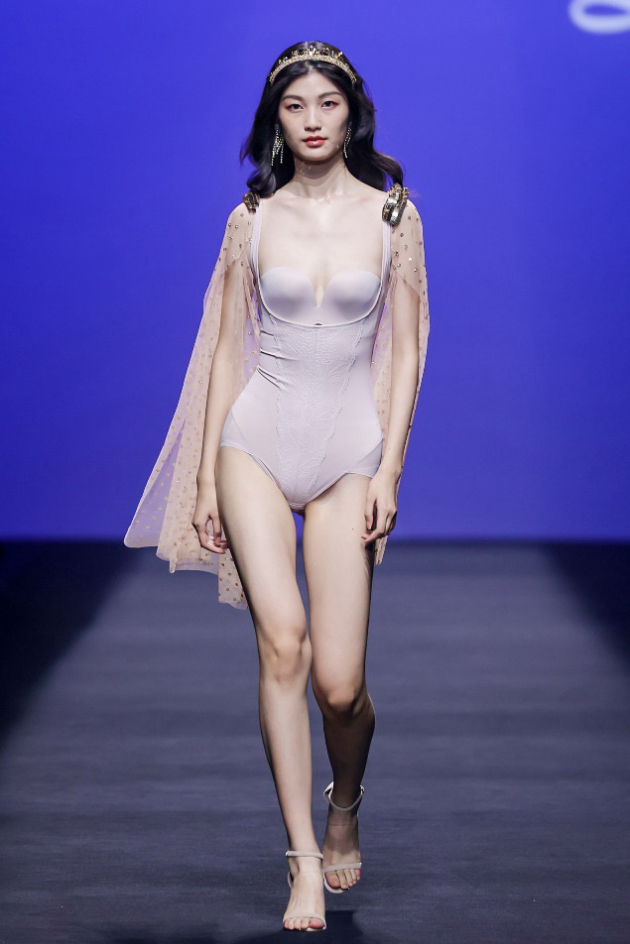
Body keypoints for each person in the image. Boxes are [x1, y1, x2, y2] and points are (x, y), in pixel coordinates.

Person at [124, 40, 430, 932]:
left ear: (352, 112)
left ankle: (345, 805)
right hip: (254, 441)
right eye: (295, 106)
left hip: (348, 452)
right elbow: (226, 348)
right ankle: (301, 859)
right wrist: (208, 480)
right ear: (276, 120)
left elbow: (408, 350)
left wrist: (390, 470)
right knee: (283, 648)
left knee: (339, 685)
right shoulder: (250, 219)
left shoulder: (394, 215)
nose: (312, 121)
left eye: (327, 104)